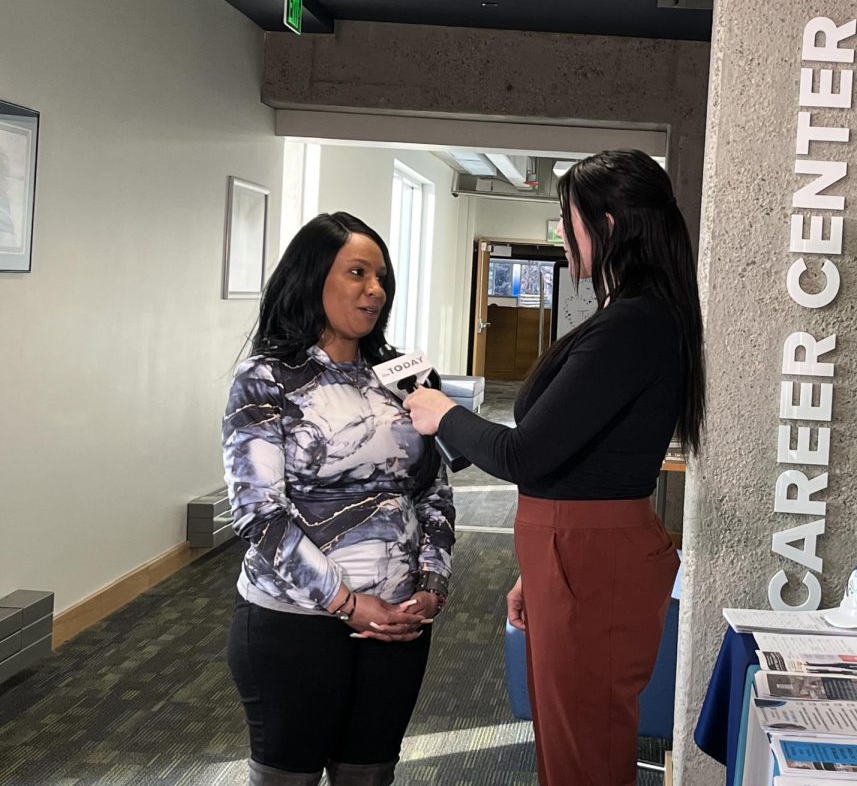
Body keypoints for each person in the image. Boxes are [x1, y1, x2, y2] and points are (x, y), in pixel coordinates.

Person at [405, 149, 705, 786]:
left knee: (582, 755)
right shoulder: (635, 317)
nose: (564, 239)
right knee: (572, 745)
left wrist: (441, 413)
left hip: (590, 558)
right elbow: (567, 462)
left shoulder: (633, 323)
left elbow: (526, 454)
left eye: (568, 221)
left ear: (609, 224)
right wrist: (538, 572)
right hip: (577, 555)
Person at [222, 212, 455, 786]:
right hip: (295, 621)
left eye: (382, 278)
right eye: (357, 273)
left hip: (397, 624)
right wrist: (349, 603)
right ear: (311, 278)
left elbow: (436, 491)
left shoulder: (407, 374)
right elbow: (259, 514)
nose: (375, 290)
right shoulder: (267, 377)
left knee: (368, 776)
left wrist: (431, 587)